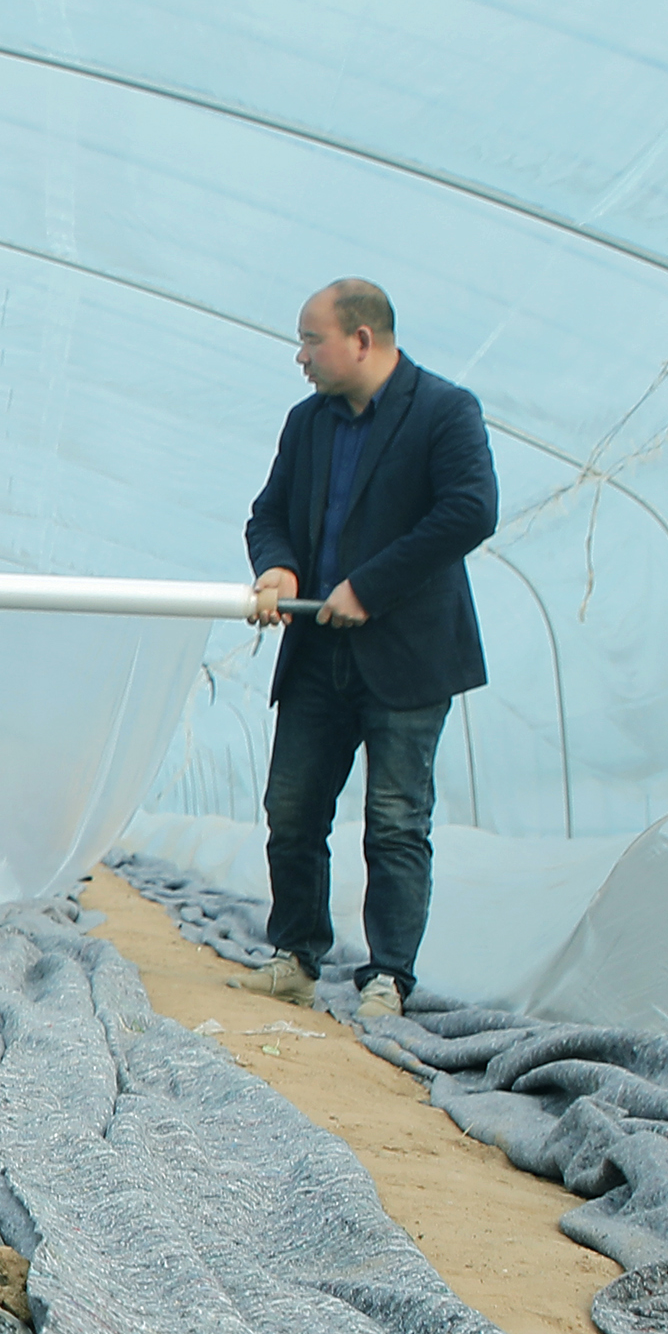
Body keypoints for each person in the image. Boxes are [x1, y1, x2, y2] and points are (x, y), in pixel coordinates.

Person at [234, 278, 496, 1022]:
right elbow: (269, 513)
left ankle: (388, 975)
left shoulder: (445, 412)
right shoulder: (307, 424)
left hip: (408, 656)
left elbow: (469, 511)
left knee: (394, 819)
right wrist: (276, 566)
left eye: (310, 340)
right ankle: (294, 956)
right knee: (291, 808)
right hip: (318, 650)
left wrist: (370, 587)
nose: (300, 356)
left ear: (361, 339)